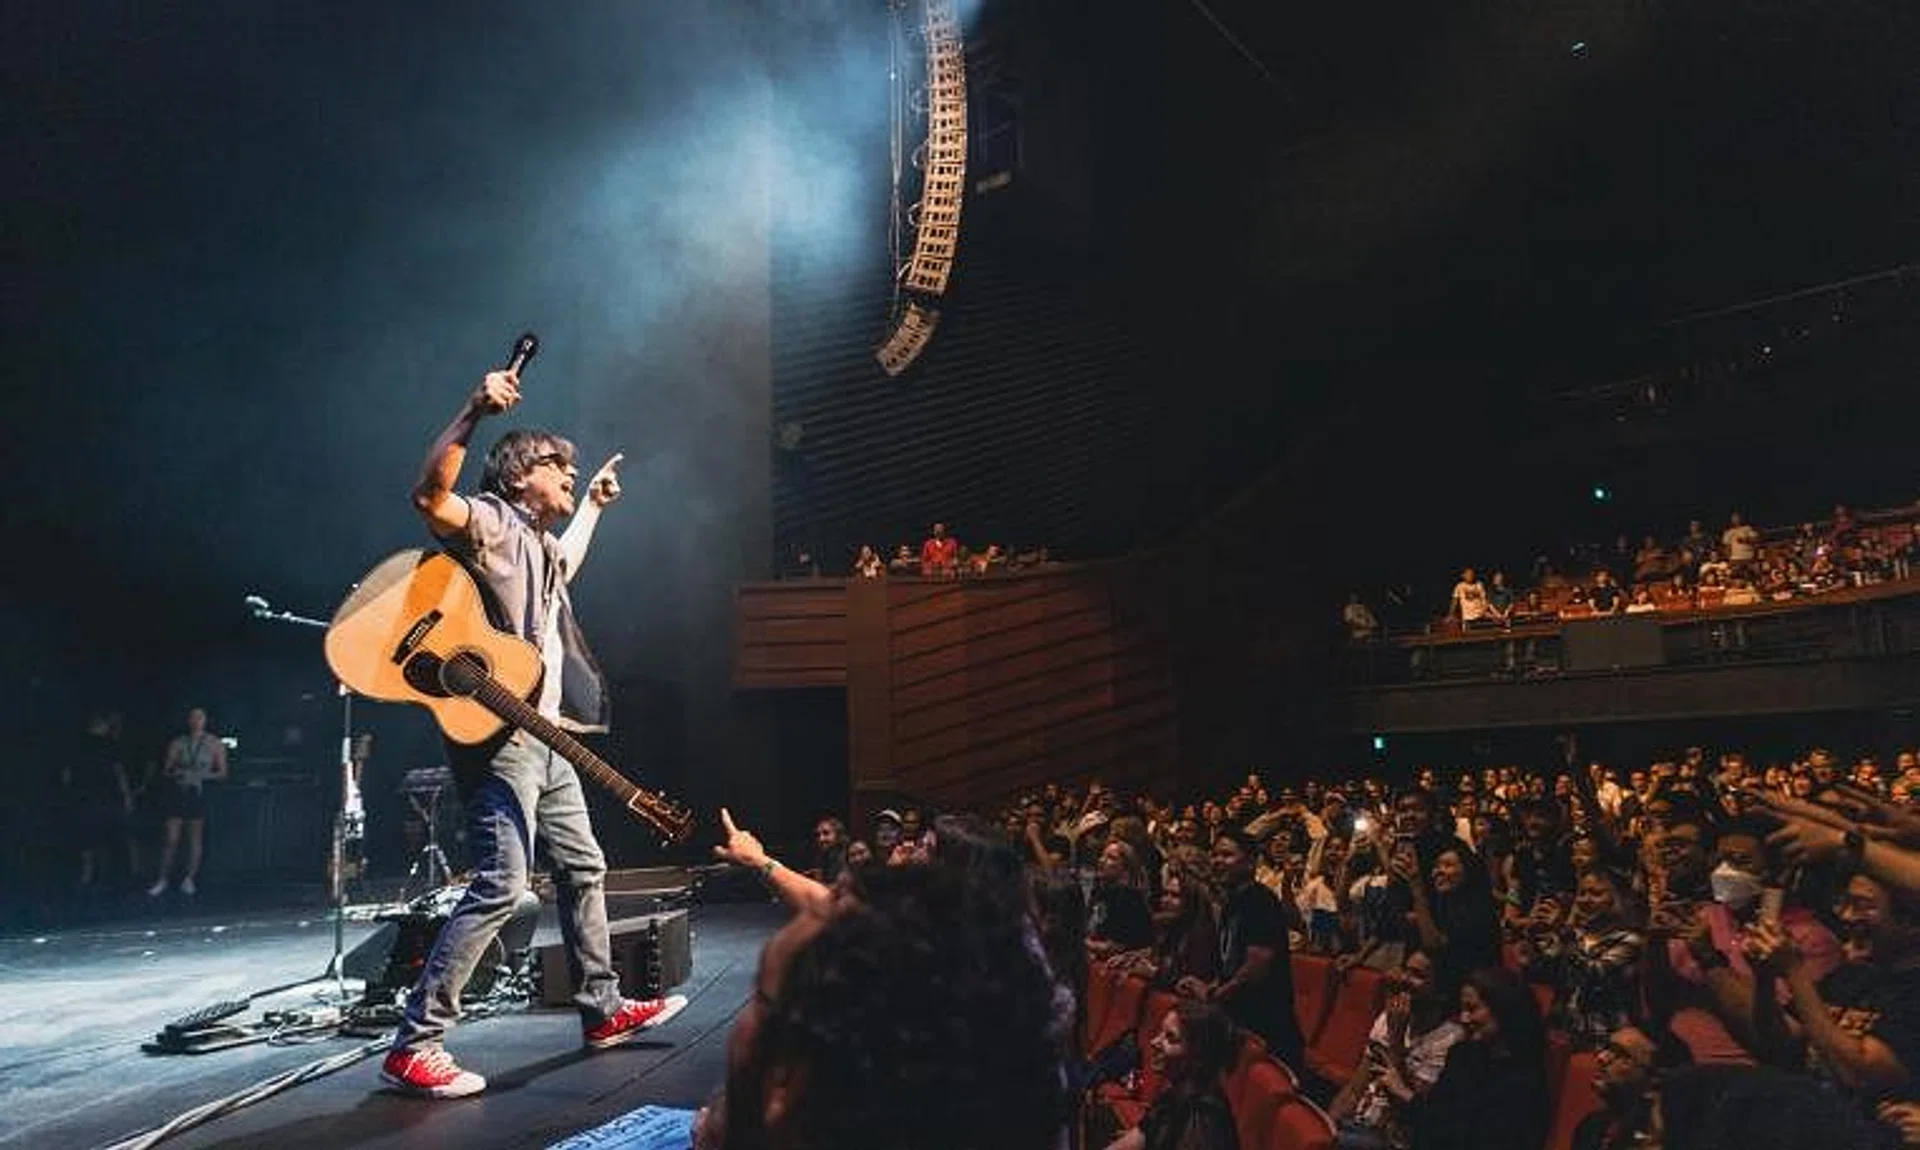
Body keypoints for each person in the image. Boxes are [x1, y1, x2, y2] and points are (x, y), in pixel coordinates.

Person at [380, 362, 685, 1098]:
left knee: (585, 866)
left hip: (547, 737)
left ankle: (603, 1009)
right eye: (560, 466)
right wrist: (471, 411)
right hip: (500, 737)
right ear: (520, 476)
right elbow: (430, 495)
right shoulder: (489, 519)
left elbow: (562, 570)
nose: (571, 474)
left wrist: (596, 511)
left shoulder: (539, 546)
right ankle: (415, 1043)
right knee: (502, 882)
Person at [1104, 1000, 1240, 1150]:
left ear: (1199, 1057)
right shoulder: (1175, 1096)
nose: (1154, 1042)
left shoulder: (1203, 1119)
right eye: (1160, 1033)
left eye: (1170, 1038)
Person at [148, 706, 228, 898]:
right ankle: (162, 878)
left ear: (206, 720)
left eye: (200, 717)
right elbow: (166, 769)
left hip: (198, 793)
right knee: (171, 839)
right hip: (179, 792)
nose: (196, 720)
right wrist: (179, 772)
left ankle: (189, 878)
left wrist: (203, 775)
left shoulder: (214, 743)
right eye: (193, 717)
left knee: (195, 839)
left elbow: (223, 772)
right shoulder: (178, 742)